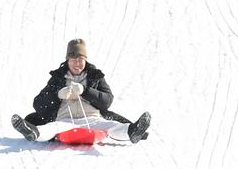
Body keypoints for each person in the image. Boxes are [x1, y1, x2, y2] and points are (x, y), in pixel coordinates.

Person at [13, 38, 150, 142]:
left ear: (85, 60)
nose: (76, 63)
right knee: (52, 128)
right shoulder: (58, 78)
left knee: (111, 126)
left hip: (92, 119)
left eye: (80, 59)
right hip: (64, 119)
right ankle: (33, 133)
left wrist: (85, 91)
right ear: (67, 60)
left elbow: (107, 101)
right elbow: (38, 104)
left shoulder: (95, 77)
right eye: (73, 59)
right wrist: (57, 95)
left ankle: (132, 131)